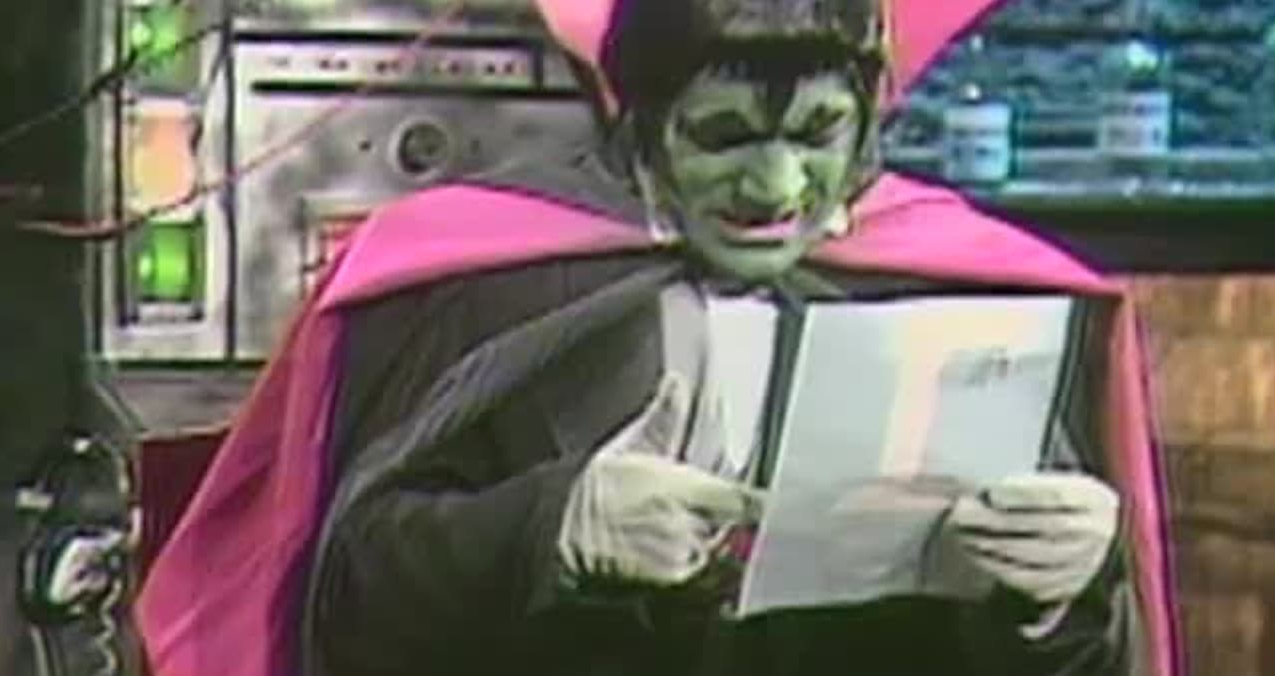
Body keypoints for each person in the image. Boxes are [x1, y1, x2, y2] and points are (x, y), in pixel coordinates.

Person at [134, 1, 1180, 675]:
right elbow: (346, 604)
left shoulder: (979, 294)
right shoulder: (474, 286)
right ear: (640, 129)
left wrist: (1067, 592)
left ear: (867, 126)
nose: (775, 186)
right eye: (724, 135)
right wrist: (551, 528)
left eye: (818, 134)